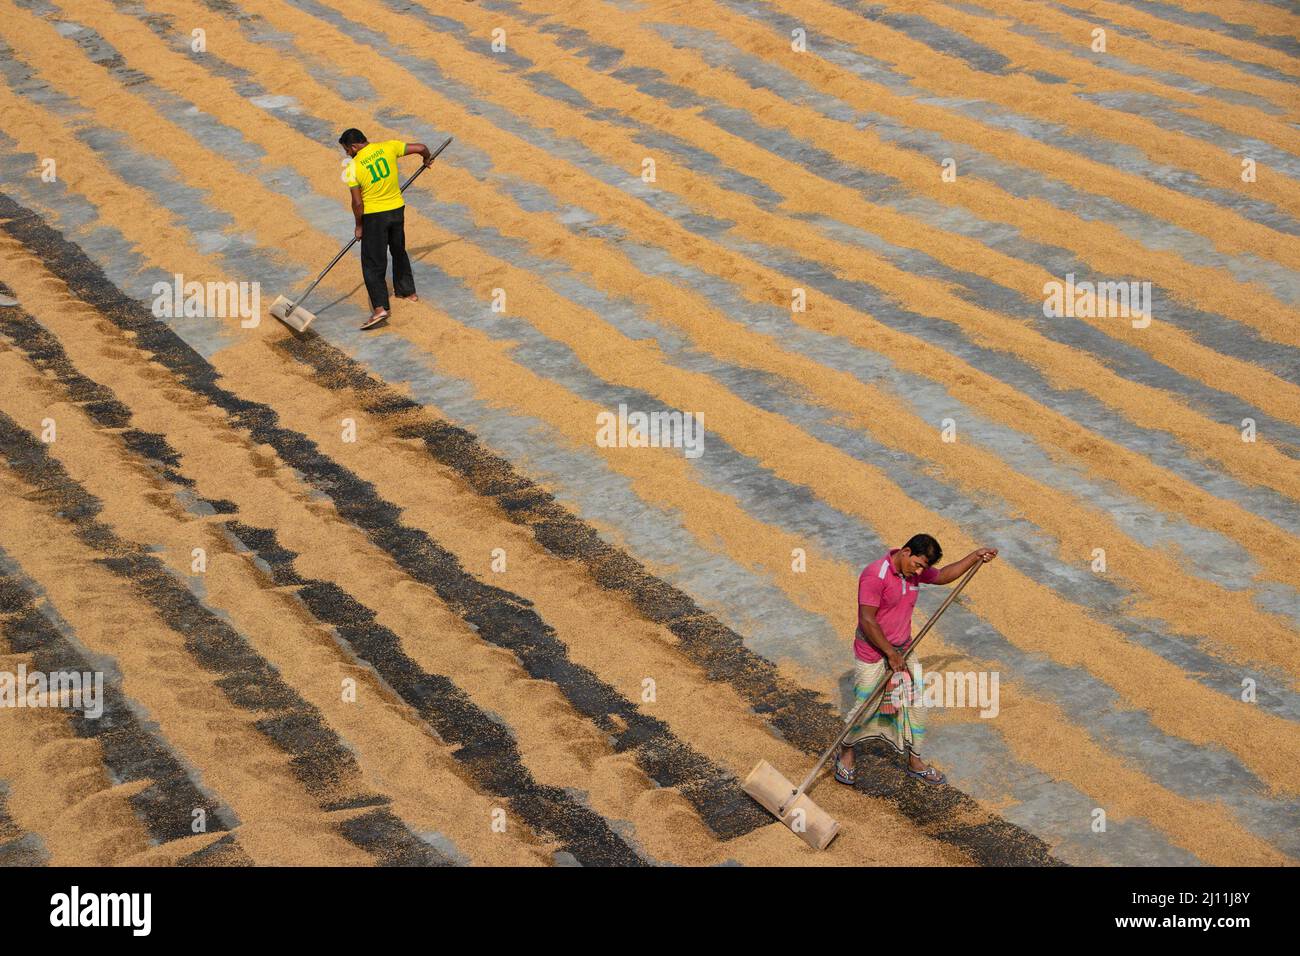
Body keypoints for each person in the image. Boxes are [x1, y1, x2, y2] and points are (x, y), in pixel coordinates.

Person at [834, 534, 997, 786]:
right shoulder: (875, 575)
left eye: (924, 567)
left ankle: (915, 761)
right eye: (918, 564)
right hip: (874, 653)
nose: (920, 571)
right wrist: (889, 654)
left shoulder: (914, 572)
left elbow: (942, 576)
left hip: (904, 651)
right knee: (865, 706)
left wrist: (975, 556)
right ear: (906, 551)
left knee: (916, 705)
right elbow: (867, 620)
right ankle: (846, 753)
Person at [338, 128, 434, 330]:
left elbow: (357, 203)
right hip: (397, 210)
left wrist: (359, 225)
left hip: (374, 216)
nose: (347, 154)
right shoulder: (388, 147)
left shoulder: (352, 168)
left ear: (354, 146)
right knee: (398, 250)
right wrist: (426, 160)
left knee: (373, 262)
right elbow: (422, 148)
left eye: (347, 150)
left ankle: (380, 308)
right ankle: (408, 292)